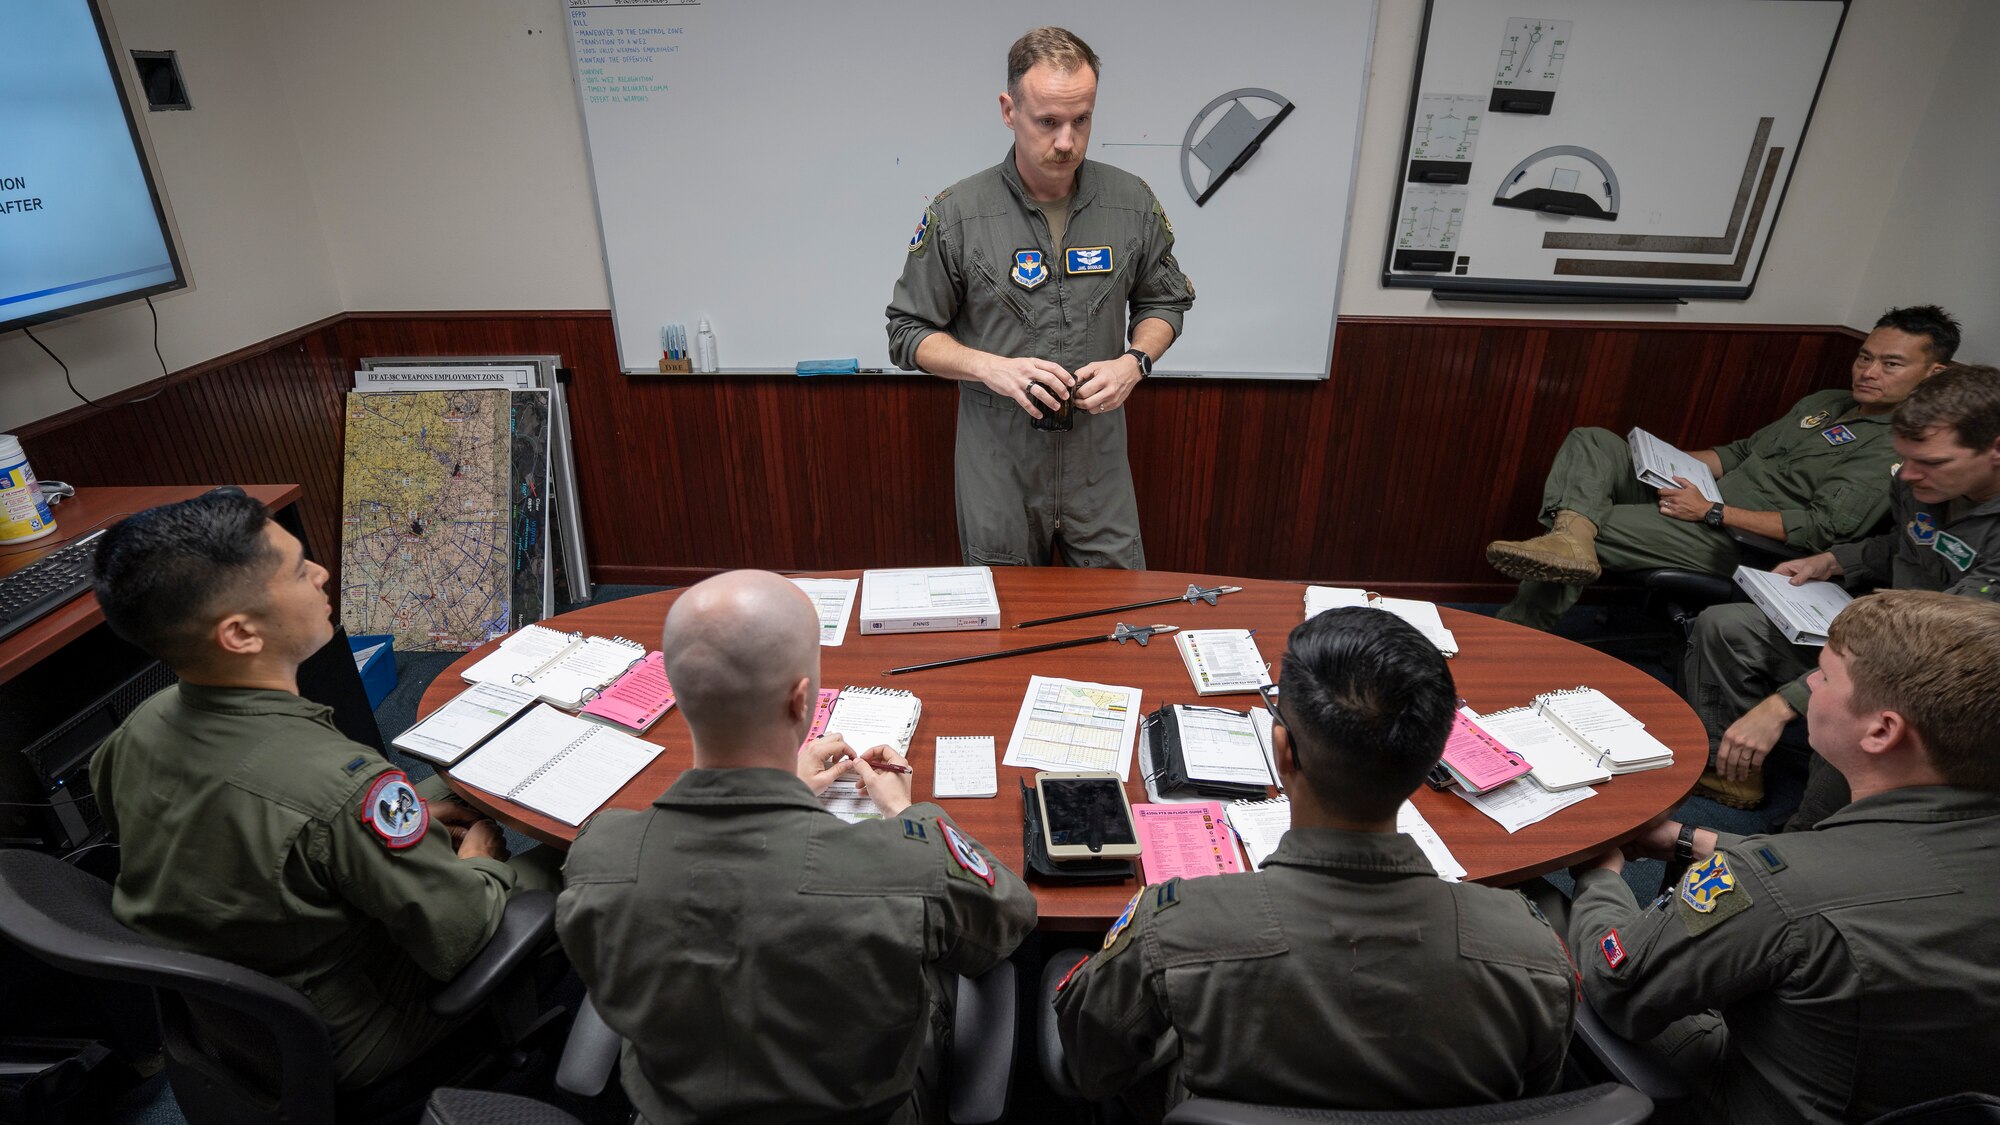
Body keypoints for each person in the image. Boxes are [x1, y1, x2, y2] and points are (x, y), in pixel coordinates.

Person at [88, 492, 557, 1088]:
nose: (322, 573)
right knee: (594, 851)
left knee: (461, 772)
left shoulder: (139, 727)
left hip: (246, 1018)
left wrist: (397, 819)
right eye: (297, 569)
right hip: (358, 1032)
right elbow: (464, 936)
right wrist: (481, 861)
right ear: (240, 633)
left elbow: (272, 823)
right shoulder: (344, 788)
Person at [1053, 608, 1576, 1119]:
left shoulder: (1176, 928)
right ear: (1430, 763)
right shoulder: (1533, 955)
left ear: (1282, 750)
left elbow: (1091, 1067)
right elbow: (1534, 1097)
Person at [555, 570, 1036, 1124]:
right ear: (802, 701)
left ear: (676, 690)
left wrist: (780, 783)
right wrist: (906, 813)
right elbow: (1011, 914)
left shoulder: (599, 856)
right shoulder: (906, 864)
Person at [1564, 590, 2000, 1123]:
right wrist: (1691, 840)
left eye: (1823, 676)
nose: (1809, 687)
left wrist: (1597, 874)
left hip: (1748, 1100)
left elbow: (1617, 985)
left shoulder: (1775, 885)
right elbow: (1856, 871)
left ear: (1882, 731)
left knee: (1546, 921)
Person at [885, 26, 1195, 570]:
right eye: (1048, 121)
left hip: (1097, 464)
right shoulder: (959, 212)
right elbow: (907, 332)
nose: (1066, 142)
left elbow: (1164, 302)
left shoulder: (1131, 202)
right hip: (999, 466)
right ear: (1009, 110)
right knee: (1006, 624)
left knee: (1117, 623)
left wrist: (1136, 361)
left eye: (1082, 120)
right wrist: (989, 368)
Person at [1486, 305, 1961, 632]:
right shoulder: (1828, 402)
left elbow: (1819, 530)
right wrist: (1659, 462)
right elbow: (1740, 452)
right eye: (1864, 356)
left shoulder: (1899, 443)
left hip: (1742, 542)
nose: (1868, 372)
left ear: (1933, 374)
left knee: (1597, 526)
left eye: (1890, 364)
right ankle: (1569, 538)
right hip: (1700, 500)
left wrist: (1711, 510)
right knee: (1594, 440)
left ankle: (1519, 632)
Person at [1683, 363, 2000, 814]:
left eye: (1929, 463)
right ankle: (1731, 773)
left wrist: (1785, 703)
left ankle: (1803, 846)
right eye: (1903, 458)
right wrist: (1834, 560)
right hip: (1883, 635)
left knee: (1851, 728)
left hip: (1951, 678)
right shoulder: (1921, 481)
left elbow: (1941, 646)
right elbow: (1906, 542)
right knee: (1727, 626)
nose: (1907, 475)